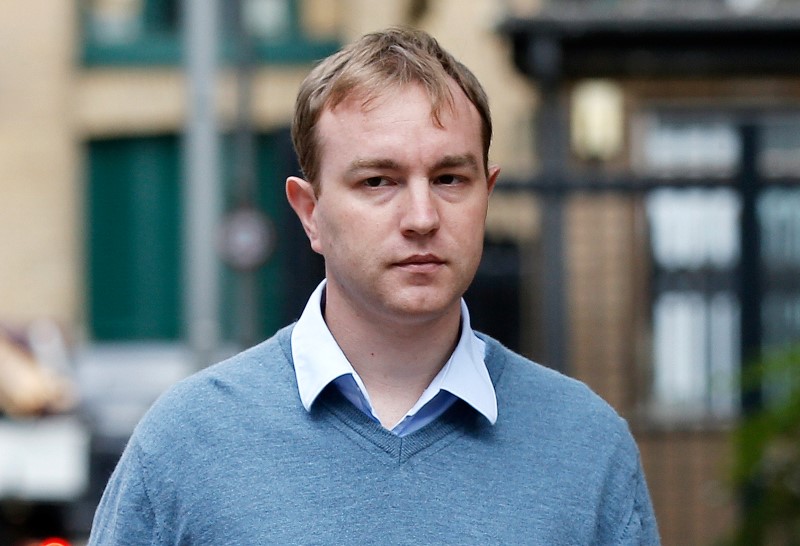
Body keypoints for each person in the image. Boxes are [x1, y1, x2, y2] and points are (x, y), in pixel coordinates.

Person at [88, 27, 660, 545]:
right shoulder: (187, 442)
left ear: (487, 194)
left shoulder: (587, 446)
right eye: (378, 181)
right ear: (310, 212)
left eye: (449, 178)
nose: (421, 216)